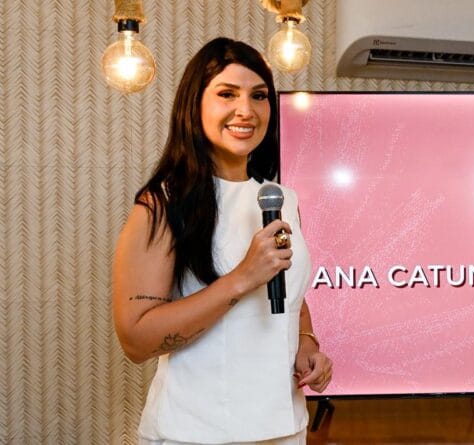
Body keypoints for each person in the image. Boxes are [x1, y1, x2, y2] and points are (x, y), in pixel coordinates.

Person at [112, 37, 332, 444]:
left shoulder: (280, 199)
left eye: (259, 96)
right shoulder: (162, 204)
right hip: (195, 432)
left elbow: (291, 297)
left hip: (285, 427)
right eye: (227, 94)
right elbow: (136, 341)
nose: (246, 110)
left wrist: (306, 342)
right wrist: (242, 278)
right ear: (194, 105)